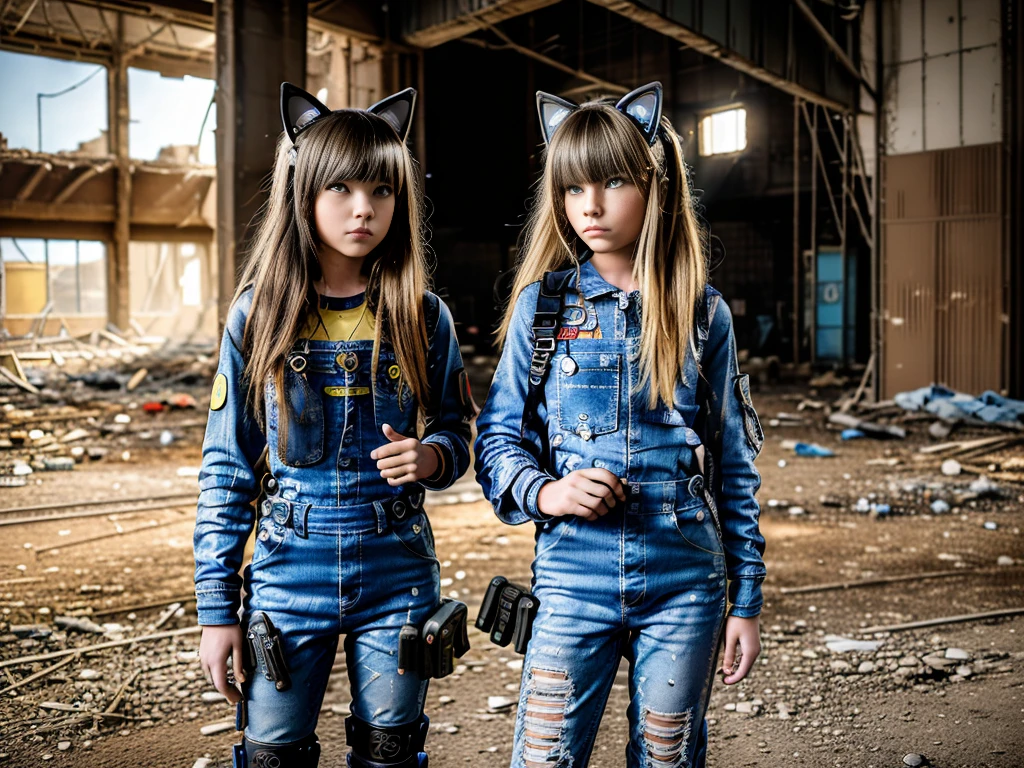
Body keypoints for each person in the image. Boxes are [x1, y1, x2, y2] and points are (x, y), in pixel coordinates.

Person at [474, 82, 766, 768]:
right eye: (574, 188)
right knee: (544, 757)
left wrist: (746, 600)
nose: (591, 206)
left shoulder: (703, 313)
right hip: (573, 574)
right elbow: (495, 439)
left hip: (686, 578)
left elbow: (734, 463)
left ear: (652, 183)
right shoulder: (541, 309)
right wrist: (546, 493)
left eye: (611, 182)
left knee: (667, 757)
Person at [193, 83, 473, 768]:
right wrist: (215, 608)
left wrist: (432, 458)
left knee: (390, 750)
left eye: (381, 190)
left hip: (397, 566)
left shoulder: (422, 314)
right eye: (341, 189)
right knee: (273, 754)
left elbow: (460, 433)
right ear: (303, 193)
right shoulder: (257, 317)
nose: (362, 209)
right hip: (288, 572)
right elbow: (227, 468)